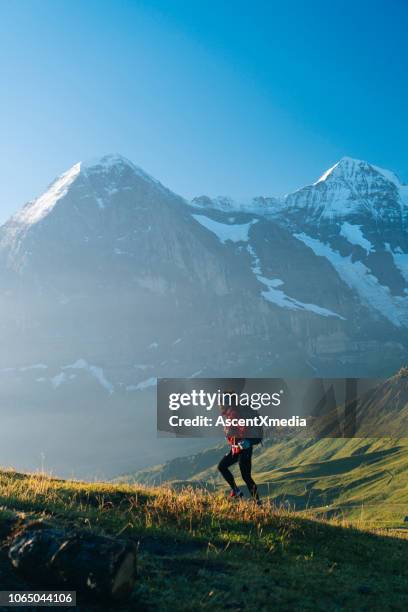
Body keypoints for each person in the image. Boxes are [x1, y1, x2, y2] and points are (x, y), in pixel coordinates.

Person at [217, 390, 260, 503]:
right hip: (238, 448)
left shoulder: (234, 414)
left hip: (243, 448)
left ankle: (258, 503)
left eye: (222, 402)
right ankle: (237, 491)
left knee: (245, 476)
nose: (220, 405)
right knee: (223, 466)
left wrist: (240, 439)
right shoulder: (232, 413)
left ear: (227, 403)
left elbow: (243, 428)